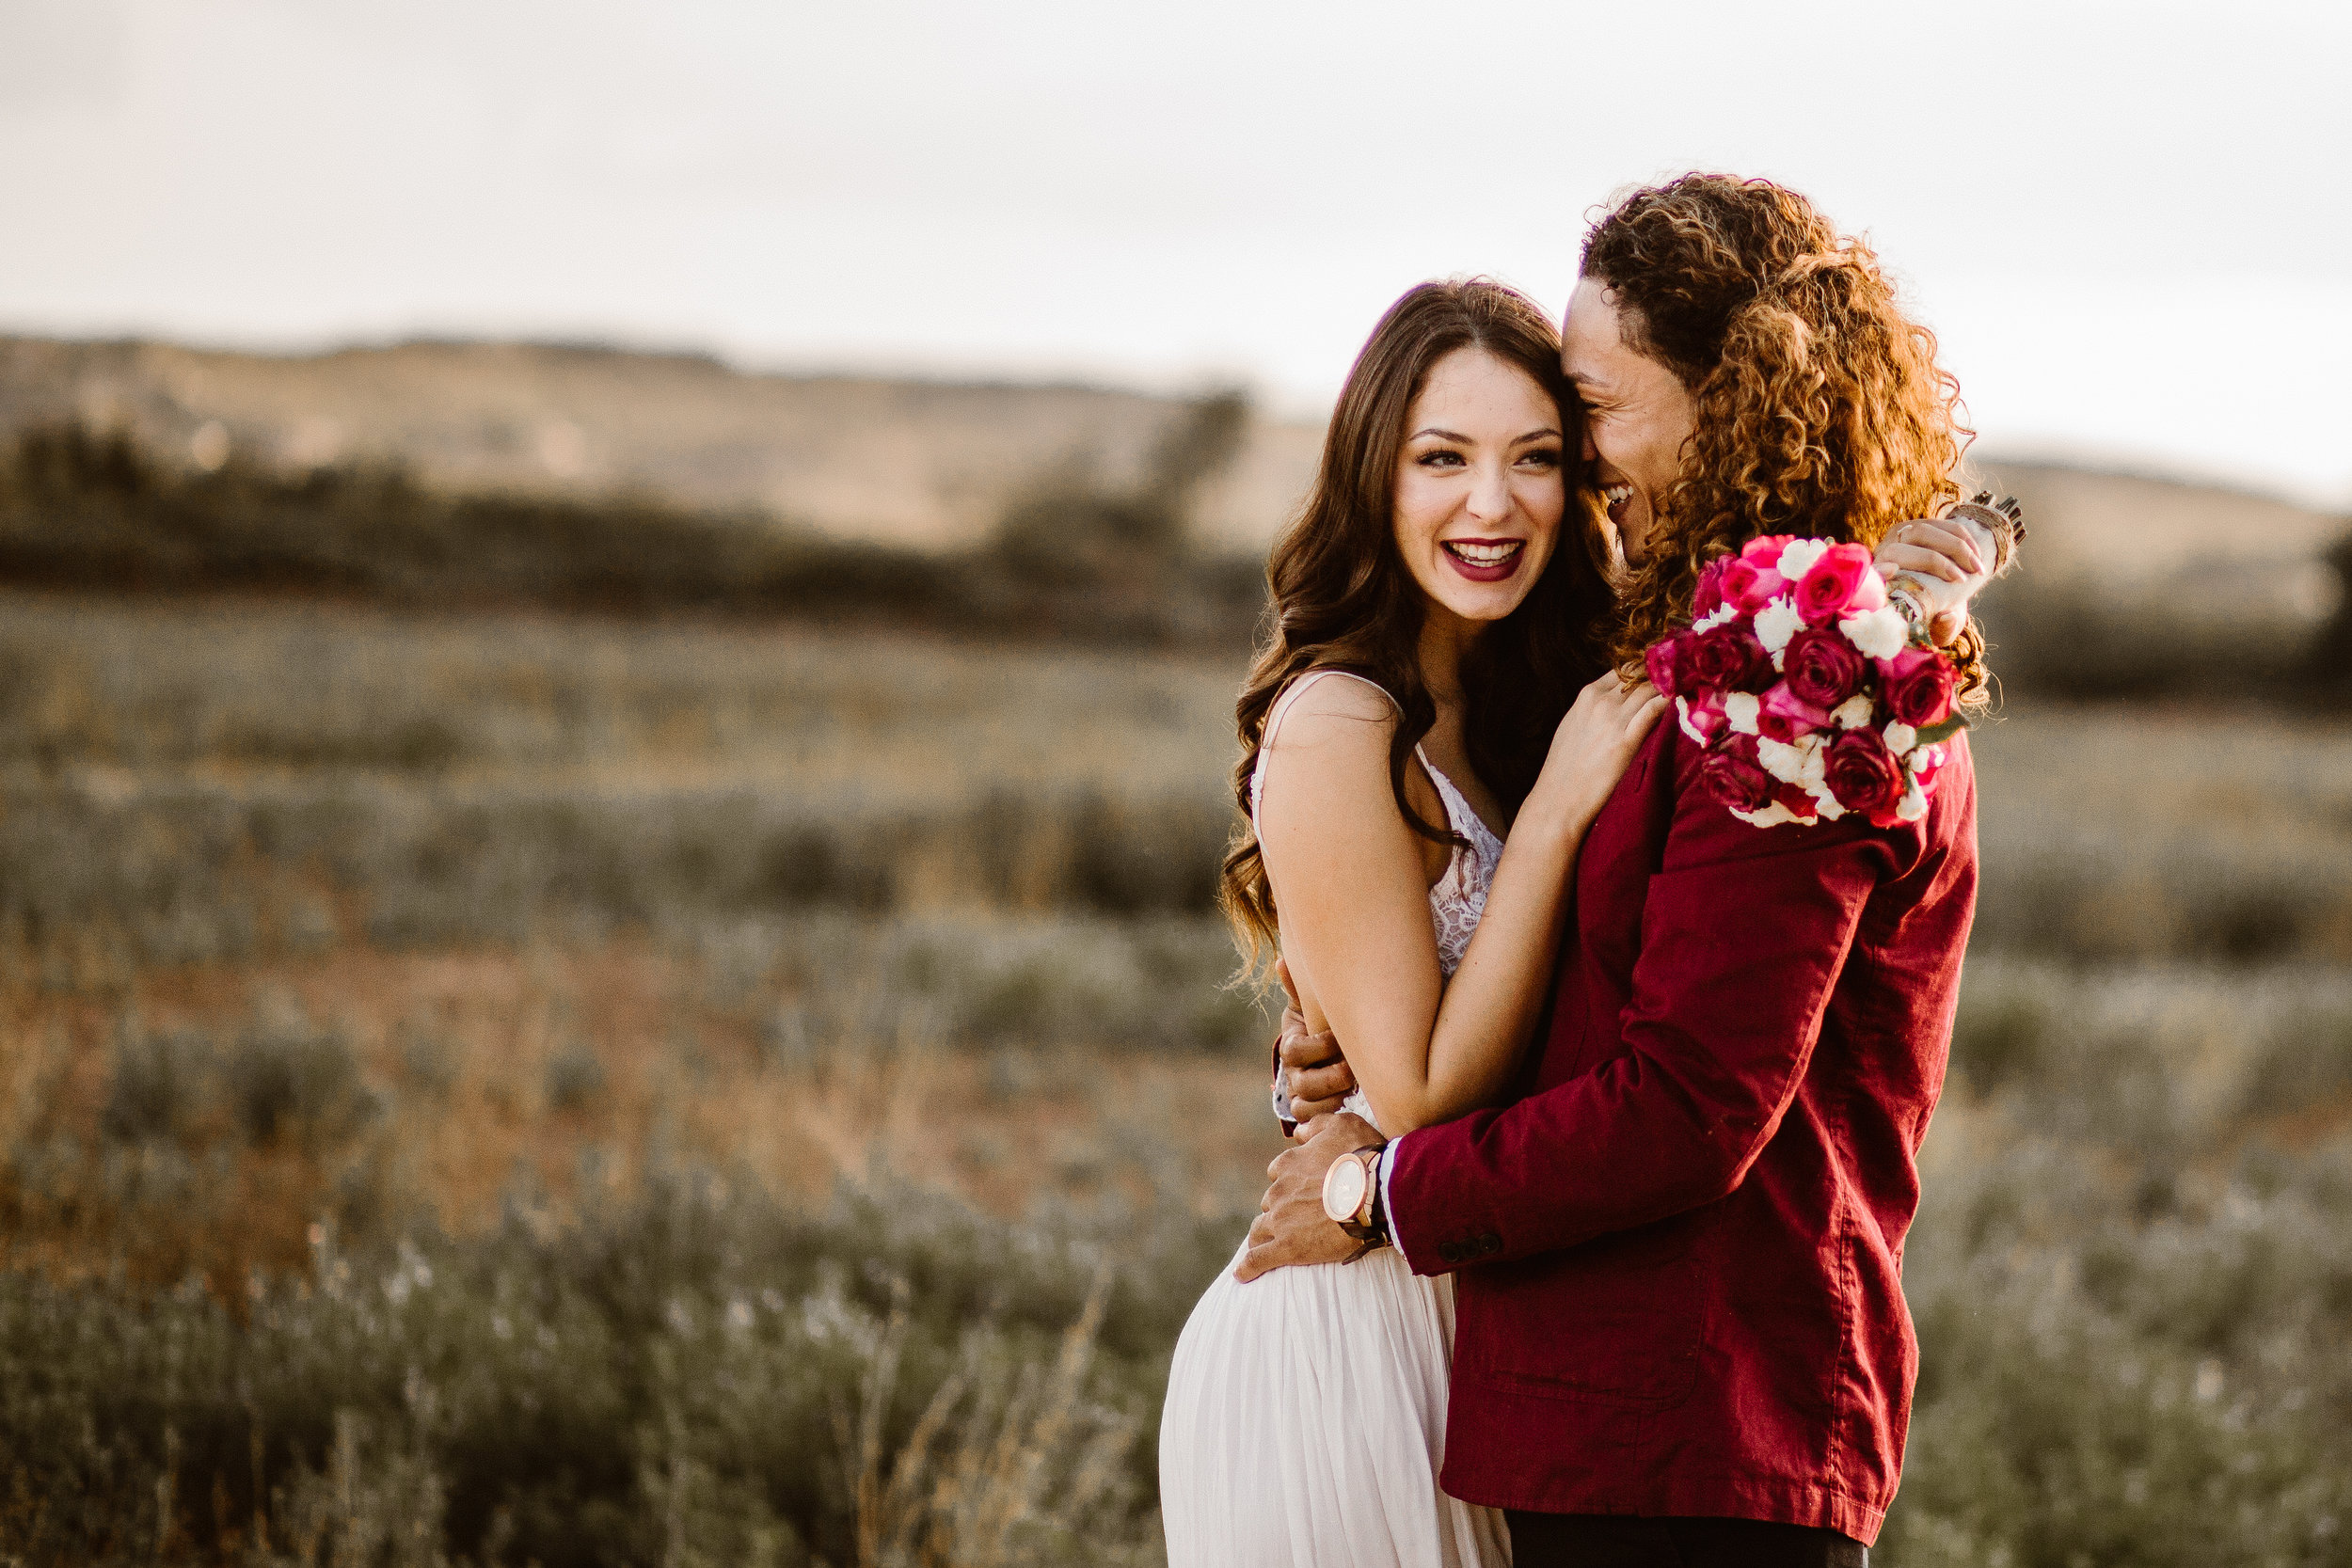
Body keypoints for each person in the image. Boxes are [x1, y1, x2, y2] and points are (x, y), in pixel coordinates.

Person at [1169, 176, 2003, 1568]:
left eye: (1576, 426)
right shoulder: (1677, 670)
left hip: (1685, 1417)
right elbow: (1551, 987)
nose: (1553, 474)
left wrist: (1373, 1188)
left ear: (1729, 401)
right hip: (1535, 1390)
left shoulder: (1801, 678)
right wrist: (1334, 1049)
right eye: (1443, 456)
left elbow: (1688, 1101)